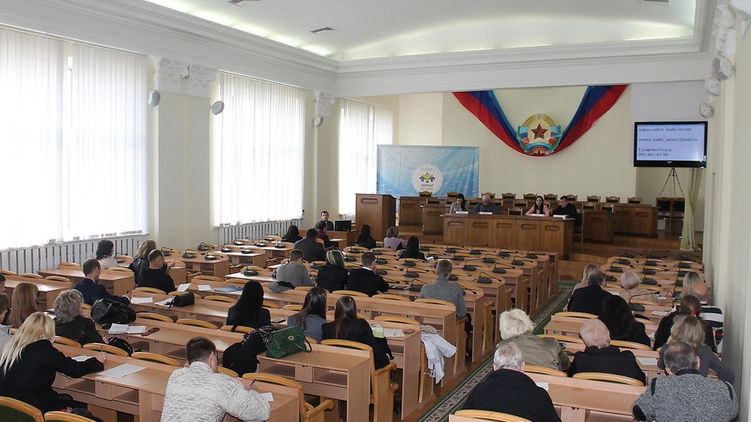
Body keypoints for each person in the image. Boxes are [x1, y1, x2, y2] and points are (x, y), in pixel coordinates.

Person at [0, 312, 105, 413]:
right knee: (83, 407)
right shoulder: (43, 348)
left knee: (66, 398)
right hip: (35, 408)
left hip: (10, 409)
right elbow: (75, 370)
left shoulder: (12, 347)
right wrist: (96, 361)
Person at [162, 337, 270, 422]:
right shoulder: (222, 383)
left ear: (188, 361)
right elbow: (262, 413)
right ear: (212, 357)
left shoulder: (176, 376)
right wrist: (253, 393)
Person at [632, 342, 738, 422]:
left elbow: (640, 413)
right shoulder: (726, 389)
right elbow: (733, 414)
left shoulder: (658, 385)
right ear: (698, 362)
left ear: (668, 370)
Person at [462, 343, 560, 422]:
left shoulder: (479, 391)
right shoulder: (539, 395)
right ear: (523, 366)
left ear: (495, 367)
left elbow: (462, 417)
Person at [657, 315, 734, 383]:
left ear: (676, 330)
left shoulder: (668, 349)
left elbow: (661, 365)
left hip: (672, 390)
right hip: (700, 391)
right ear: (700, 333)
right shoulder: (706, 351)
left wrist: (667, 343)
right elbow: (728, 376)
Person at [568, 319, 645, 384]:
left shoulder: (580, 360)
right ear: (608, 335)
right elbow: (642, 381)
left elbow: (571, 380)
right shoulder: (627, 358)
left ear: (585, 341)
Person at [322, 296, 390, 369]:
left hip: (335, 365)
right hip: (360, 367)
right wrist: (385, 359)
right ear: (354, 309)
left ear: (337, 309)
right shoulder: (361, 324)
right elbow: (373, 346)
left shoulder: (326, 327)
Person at [497, 309, 569, 370]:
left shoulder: (502, 347)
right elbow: (565, 365)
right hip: (547, 381)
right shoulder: (551, 342)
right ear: (528, 322)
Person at [685, 281, 724, 350]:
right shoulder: (717, 312)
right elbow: (718, 337)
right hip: (709, 350)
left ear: (691, 296)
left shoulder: (683, 309)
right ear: (708, 294)